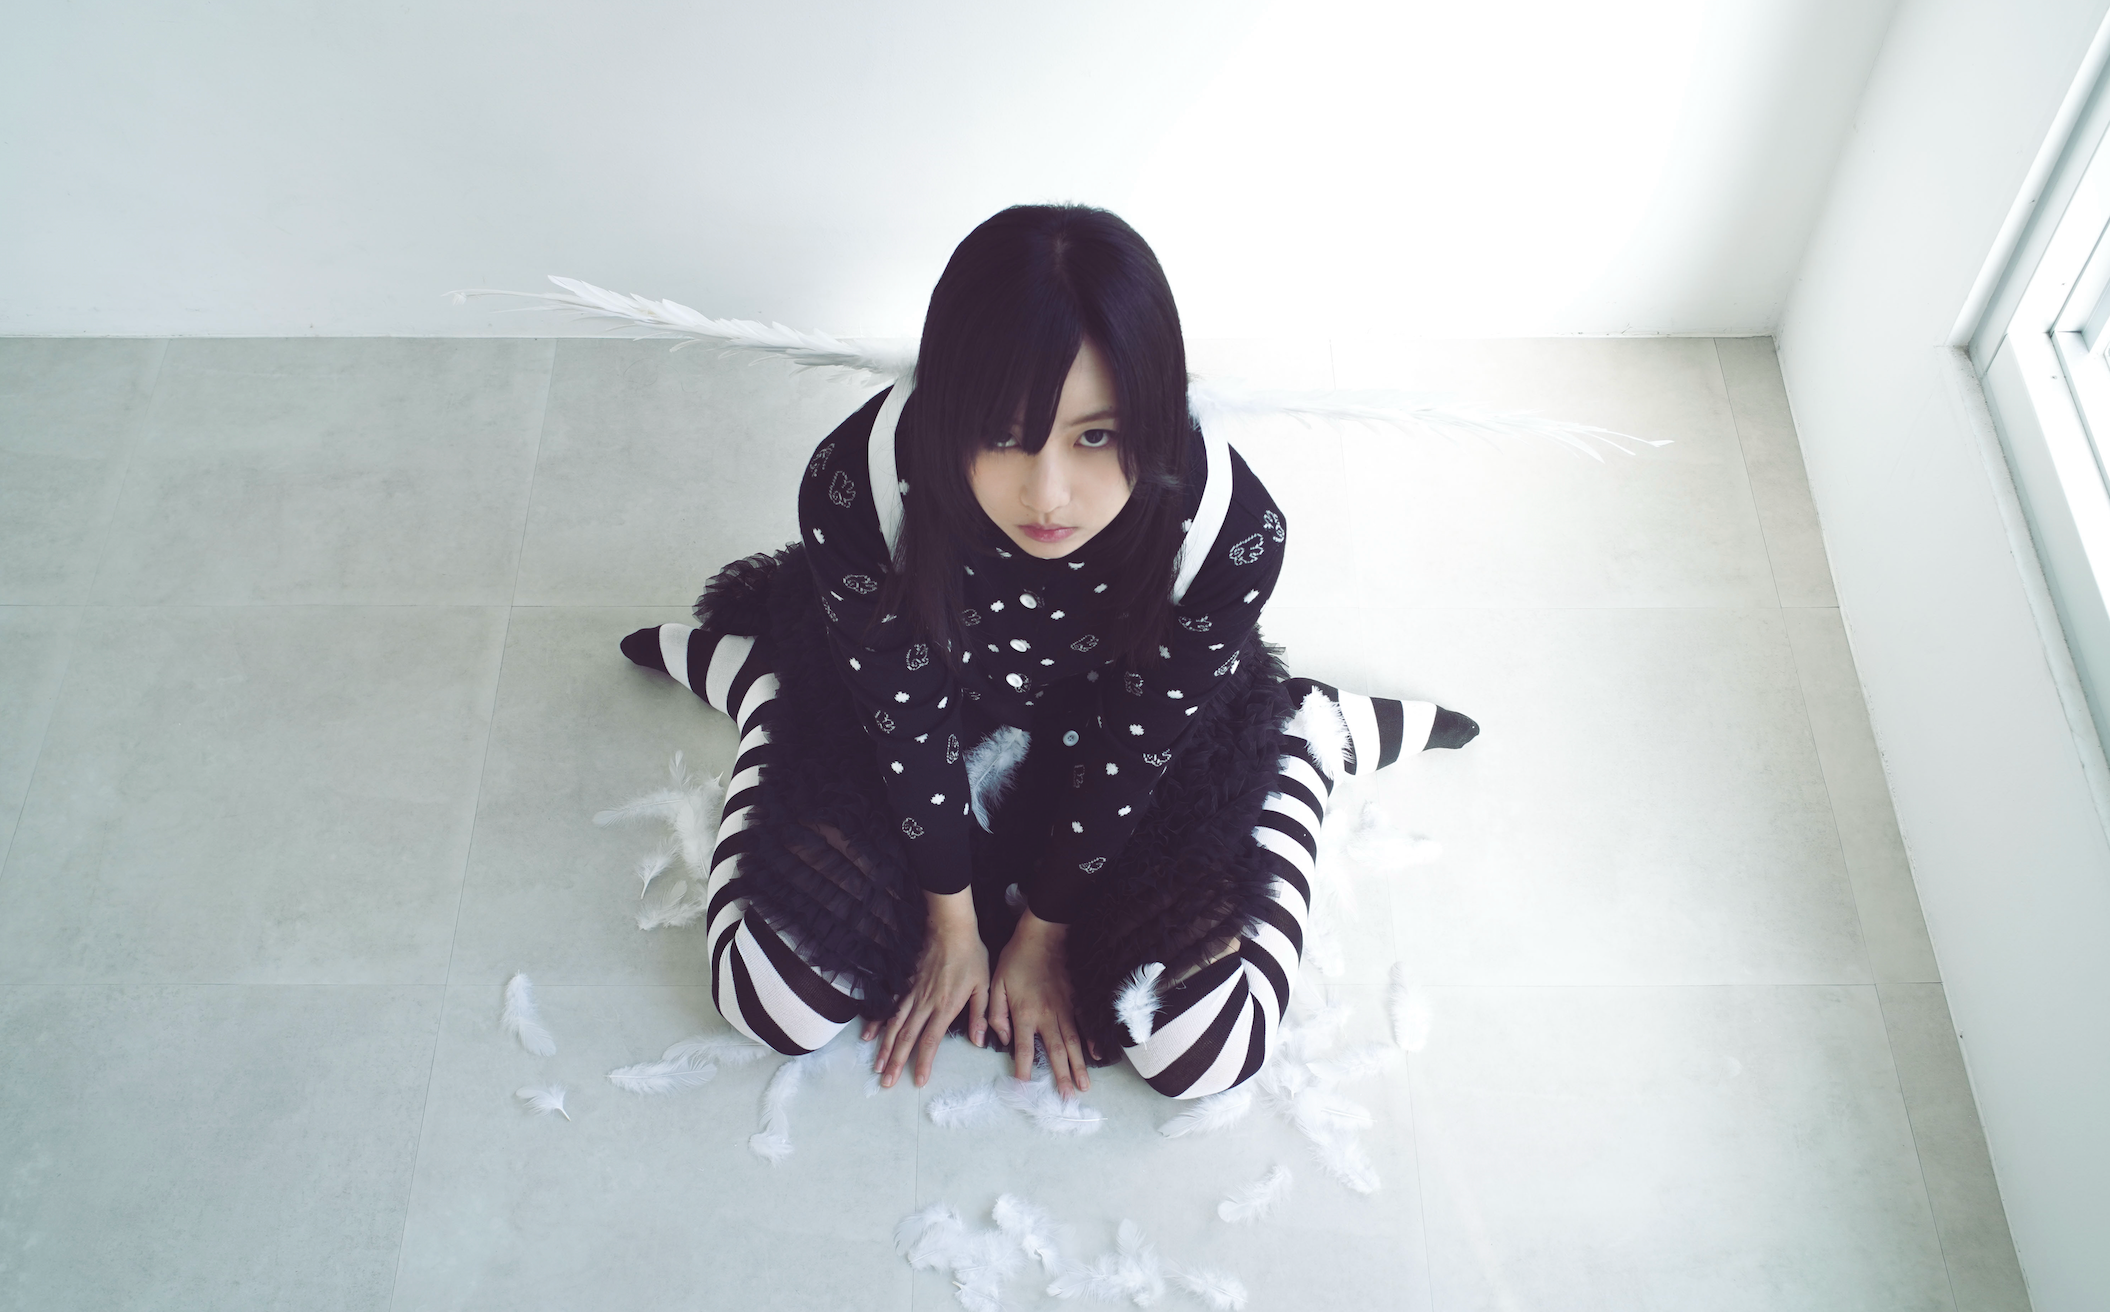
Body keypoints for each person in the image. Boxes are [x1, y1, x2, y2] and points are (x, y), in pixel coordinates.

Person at [618, 204, 1477, 1101]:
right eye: (1001, 435)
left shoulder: (1230, 529)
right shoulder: (860, 484)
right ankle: (770, 693)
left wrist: (1044, 930)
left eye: (1095, 436)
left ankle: (1304, 743)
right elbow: (904, 723)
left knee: (1206, 1050)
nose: (1048, 494)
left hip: (1140, 728)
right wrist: (952, 926)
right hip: (913, 699)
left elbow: (1139, 746)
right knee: (773, 1002)